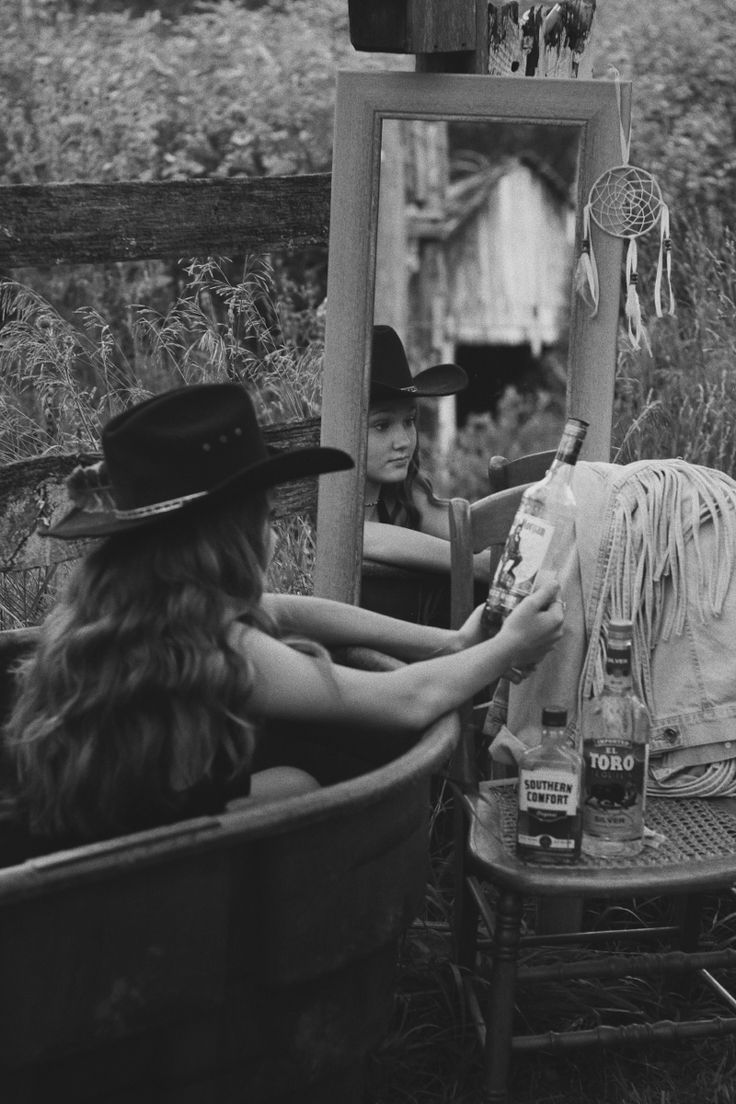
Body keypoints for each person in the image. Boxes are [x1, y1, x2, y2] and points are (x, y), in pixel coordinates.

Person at [1, 382, 563, 854]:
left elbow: (289, 608)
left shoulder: (127, 611)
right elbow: (404, 701)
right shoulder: (219, 648)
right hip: (144, 885)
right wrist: (507, 646)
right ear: (228, 535)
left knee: (290, 778)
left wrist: (448, 641)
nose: (272, 530)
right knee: (307, 782)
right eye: (265, 515)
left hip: (80, 843)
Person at [362, 325, 489, 624]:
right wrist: (472, 564)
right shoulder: (324, 505)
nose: (404, 441)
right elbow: (359, 537)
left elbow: (470, 529)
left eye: (409, 421)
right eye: (382, 426)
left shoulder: (405, 495)